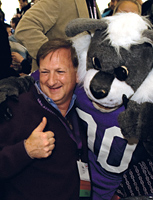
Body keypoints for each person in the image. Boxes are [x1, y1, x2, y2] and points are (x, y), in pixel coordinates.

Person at [0, 38, 89, 200]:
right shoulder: (16, 108)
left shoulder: (81, 108)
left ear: (77, 75)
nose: (51, 80)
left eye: (60, 72)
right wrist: (25, 150)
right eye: (45, 72)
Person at [15, 0, 101, 72]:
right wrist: (55, 58)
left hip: (80, 79)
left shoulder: (90, 3)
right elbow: (25, 28)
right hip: (54, 82)